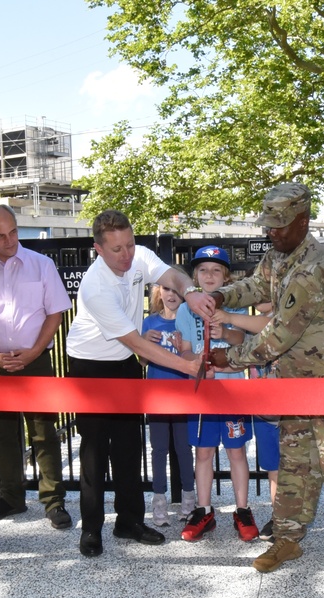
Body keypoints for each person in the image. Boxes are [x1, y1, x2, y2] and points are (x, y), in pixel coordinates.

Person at [186, 182, 324, 578]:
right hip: (297, 386)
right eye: (268, 224)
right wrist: (222, 296)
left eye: (279, 225)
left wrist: (227, 359)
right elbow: (257, 286)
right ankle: (287, 540)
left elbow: (276, 337)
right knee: (295, 467)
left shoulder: (313, 270)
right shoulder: (281, 255)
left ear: (303, 221)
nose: (271, 232)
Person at [65, 209, 202, 558]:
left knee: (129, 446)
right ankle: (91, 529)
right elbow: (139, 345)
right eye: (116, 250)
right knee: (94, 451)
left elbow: (170, 273)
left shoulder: (137, 255)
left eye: (129, 244)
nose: (126, 255)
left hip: (123, 364)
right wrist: (189, 366)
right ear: (98, 249)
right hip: (89, 365)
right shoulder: (95, 286)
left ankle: (129, 521)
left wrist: (190, 291)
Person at [0, 205, 74, 530]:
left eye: (13, 231)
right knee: (1, 435)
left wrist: (34, 352)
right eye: (0, 235)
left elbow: (55, 313)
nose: (10, 240)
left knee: (43, 430)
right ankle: (10, 498)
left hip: (36, 359)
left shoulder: (41, 265)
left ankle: (53, 501)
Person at [176, 246, 257, 543]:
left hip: (231, 389)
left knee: (236, 451)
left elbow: (242, 339)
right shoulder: (186, 309)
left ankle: (242, 509)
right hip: (202, 393)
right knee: (204, 453)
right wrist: (194, 364)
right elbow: (184, 347)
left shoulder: (234, 305)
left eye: (216, 270)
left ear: (226, 276)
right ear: (195, 276)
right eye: (203, 270)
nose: (209, 275)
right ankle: (204, 509)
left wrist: (224, 332)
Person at [210, 301, 280, 541]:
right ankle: (279, 517)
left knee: (299, 467)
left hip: (293, 409)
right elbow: (241, 360)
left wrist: (228, 316)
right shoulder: (250, 330)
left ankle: (297, 517)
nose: (260, 298)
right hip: (264, 411)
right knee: (274, 468)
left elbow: (271, 324)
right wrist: (212, 366)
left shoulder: (286, 317)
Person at [140, 273, 196, 527]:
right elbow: (142, 361)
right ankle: (159, 501)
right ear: (158, 292)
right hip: (157, 396)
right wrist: (143, 344)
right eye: (166, 289)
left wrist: (183, 349)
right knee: (159, 450)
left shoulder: (188, 322)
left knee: (184, 449)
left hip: (185, 396)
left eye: (176, 290)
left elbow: (194, 361)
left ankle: (188, 501)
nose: (171, 295)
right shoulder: (149, 322)